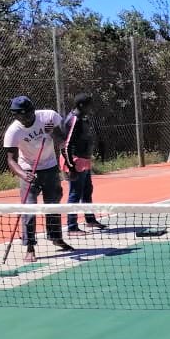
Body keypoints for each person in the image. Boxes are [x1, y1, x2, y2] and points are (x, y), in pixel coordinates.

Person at [2, 96, 75, 263]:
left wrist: (54, 131)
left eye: (26, 115)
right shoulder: (13, 132)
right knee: (29, 209)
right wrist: (22, 173)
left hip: (49, 167)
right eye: (19, 116)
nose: (24, 119)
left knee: (52, 205)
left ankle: (56, 238)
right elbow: (11, 160)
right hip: (28, 170)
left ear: (32, 110)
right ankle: (30, 247)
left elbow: (64, 140)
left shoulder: (49, 117)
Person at [62, 93, 107, 234]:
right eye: (89, 105)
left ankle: (90, 219)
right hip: (76, 161)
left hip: (84, 160)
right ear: (81, 105)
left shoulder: (83, 119)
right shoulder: (74, 120)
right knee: (75, 193)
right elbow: (66, 145)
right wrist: (71, 167)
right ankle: (72, 226)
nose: (90, 108)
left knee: (87, 190)